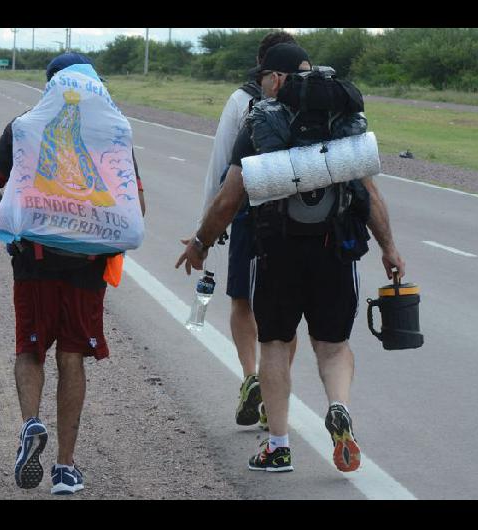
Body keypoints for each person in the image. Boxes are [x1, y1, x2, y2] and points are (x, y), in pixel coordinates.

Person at [176, 43, 405, 473]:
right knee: (333, 346)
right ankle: (339, 408)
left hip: (277, 249)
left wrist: (201, 242)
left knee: (275, 344)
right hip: (335, 249)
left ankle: (277, 446)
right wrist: (389, 248)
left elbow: (229, 198)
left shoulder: (261, 120)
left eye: (264, 77)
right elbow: (368, 193)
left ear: (277, 79)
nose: (261, 84)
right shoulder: (342, 120)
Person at [0, 53, 146, 495]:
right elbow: (135, 210)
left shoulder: (24, 125)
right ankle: (65, 468)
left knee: (30, 349)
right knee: (72, 356)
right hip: (88, 269)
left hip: (33, 262)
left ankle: (31, 423)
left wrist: (17, 230)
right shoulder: (114, 131)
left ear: (50, 85)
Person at [198, 31, 297, 431]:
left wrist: (203, 228)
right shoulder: (312, 102)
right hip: (297, 222)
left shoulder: (242, 100)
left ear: (261, 64)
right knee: (287, 312)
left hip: (247, 215)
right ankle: (276, 391)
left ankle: (251, 376)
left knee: (242, 299)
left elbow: (221, 164)